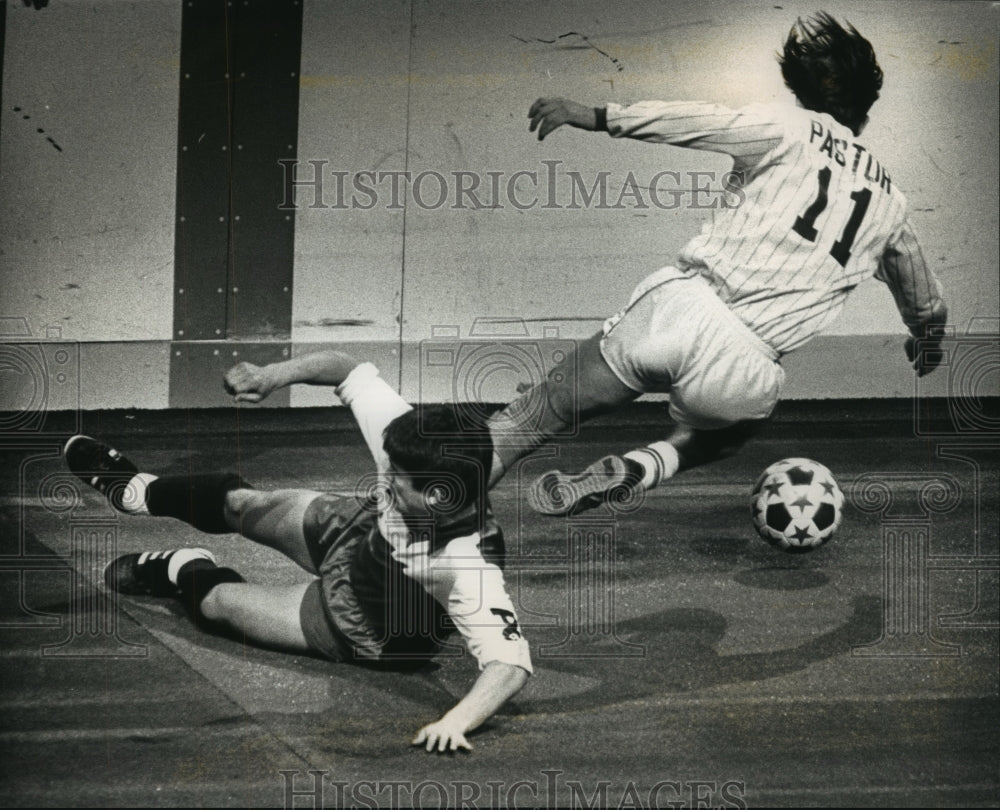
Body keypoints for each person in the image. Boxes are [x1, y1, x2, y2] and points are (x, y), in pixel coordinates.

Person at [486, 12, 948, 515]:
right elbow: (924, 297)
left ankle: (429, 507)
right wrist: (926, 338)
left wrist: (598, 115)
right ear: (868, 105)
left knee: (535, 414)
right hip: (747, 363)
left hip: (681, 309)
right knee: (723, 437)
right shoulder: (891, 204)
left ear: (803, 90)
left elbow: (700, 121)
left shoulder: (790, 126)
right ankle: (648, 464)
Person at [64, 350, 531, 753]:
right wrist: (272, 376)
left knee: (219, 605)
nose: (384, 474)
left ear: (436, 497)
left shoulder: (467, 565)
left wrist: (456, 721)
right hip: (359, 532)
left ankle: (179, 567)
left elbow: (508, 665)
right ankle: (137, 493)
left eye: (397, 480)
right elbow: (348, 369)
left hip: (367, 620)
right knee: (243, 503)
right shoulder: (416, 447)